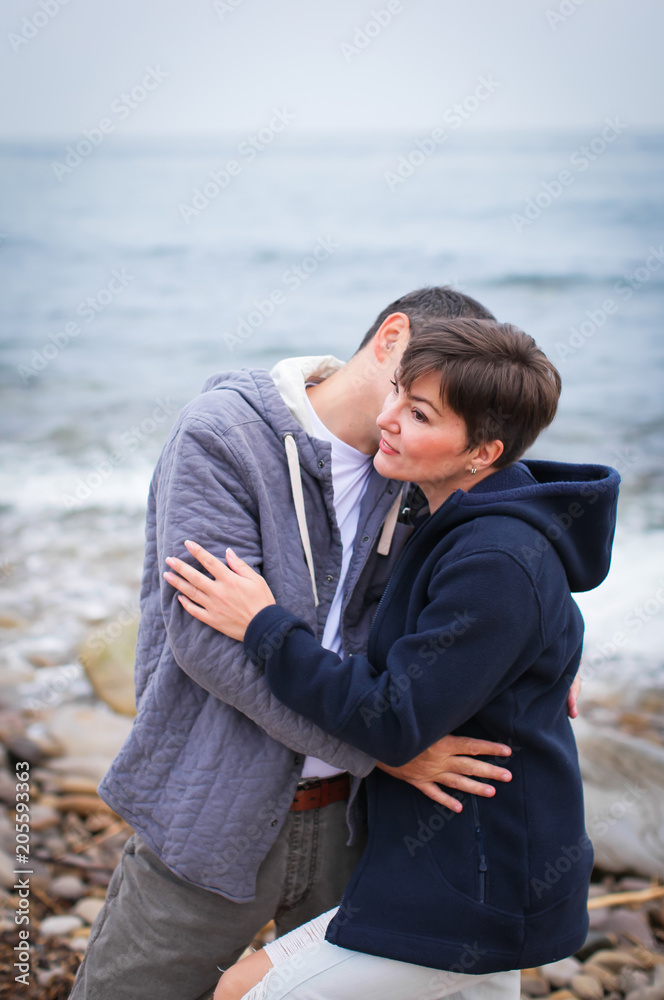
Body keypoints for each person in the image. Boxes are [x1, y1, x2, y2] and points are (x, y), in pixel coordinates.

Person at [71, 288, 543, 1000]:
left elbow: (521, 522)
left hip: (358, 819)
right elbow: (208, 646)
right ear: (391, 337)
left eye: (432, 409)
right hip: (213, 800)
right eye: (422, 390)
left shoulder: (428, 461)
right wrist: (389, 748)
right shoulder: (224, 434)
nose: (407, 419)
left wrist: (536, 650)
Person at [164, 318, 620, 1000]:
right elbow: (511, 618)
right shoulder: (457, 518)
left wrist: (261, 625)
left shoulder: (493, 554)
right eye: (397, 394)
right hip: (456, 866)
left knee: (241, 994)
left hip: (472, 889)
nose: (387, 419)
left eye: (418, 414)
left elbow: (390, 719)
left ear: (481, 451)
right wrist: (555, 649)